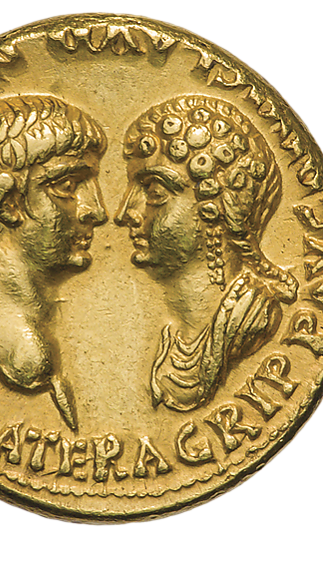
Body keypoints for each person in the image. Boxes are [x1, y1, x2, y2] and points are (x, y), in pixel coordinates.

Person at [0, 95, 108, 430]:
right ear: (7, 202)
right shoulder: (2, 348)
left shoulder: (36, 349)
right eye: (68, 185)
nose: (97, 211)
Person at [115, 95, 298, 411]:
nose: (124, 213)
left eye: (154, 193)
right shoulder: (171, 336)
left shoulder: (254, 319)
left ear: (215, 209)